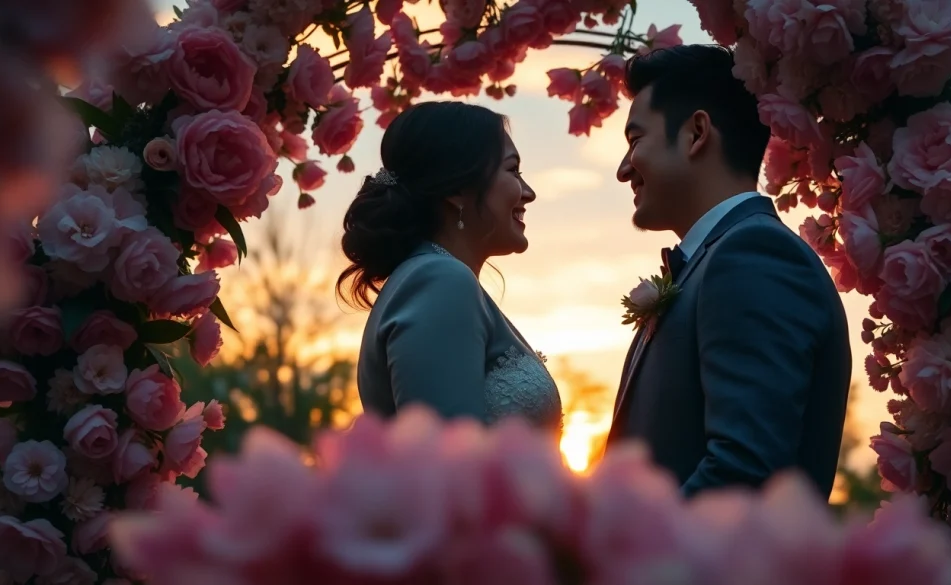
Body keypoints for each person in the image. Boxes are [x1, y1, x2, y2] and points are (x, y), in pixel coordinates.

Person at [606, 45, 851, 499]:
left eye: (635, 140)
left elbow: (744, 474)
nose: (624, 169)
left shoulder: (753, 255)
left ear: (697, 132)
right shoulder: (717, 259)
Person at [338, 101, 562, 431]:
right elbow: (449, 464)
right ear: (457, 189)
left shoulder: (434, 278)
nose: (528, 193)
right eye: (513, 171)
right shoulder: (440, 280)